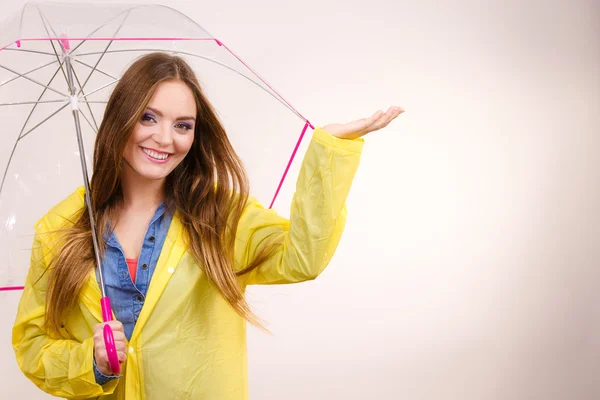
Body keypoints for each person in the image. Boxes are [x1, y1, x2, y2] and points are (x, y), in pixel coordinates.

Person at [12, 52, 403, 399]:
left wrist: (329, 152)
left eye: (183, 125)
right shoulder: (61, 228)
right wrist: (91, 362)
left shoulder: (217, 216)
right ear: (121, 119)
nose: (165, 138)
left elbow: (303, 258)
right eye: (148, 117)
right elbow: (33, 345)